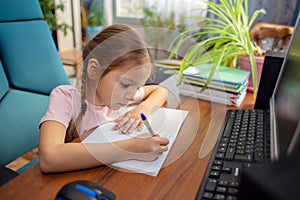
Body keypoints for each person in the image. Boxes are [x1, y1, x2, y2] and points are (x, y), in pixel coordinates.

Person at [39, 24, 169, 173]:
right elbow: (49, 158)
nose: (133, 95)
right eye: (126, 84)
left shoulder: (121, 97)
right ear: (94, 70)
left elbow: (160, 90)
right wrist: (133, 148)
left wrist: (141, 110)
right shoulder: (65, 97)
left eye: (137, 87)